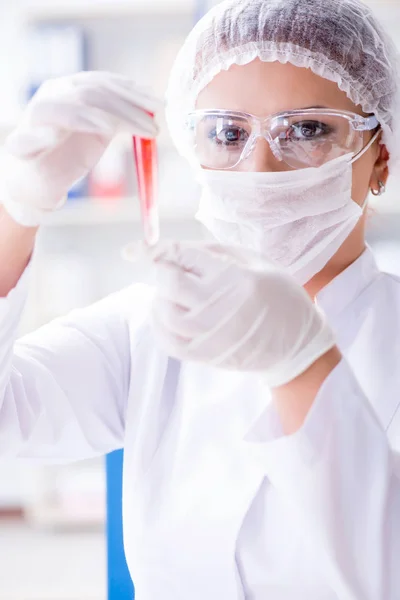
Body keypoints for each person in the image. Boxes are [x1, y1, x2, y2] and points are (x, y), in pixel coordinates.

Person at [1, 0, 400, 597]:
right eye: (227, 133)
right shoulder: (147, 326)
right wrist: (16, 212)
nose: (260, 168)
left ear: (379, 158)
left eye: (309, 129)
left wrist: (304, 365)